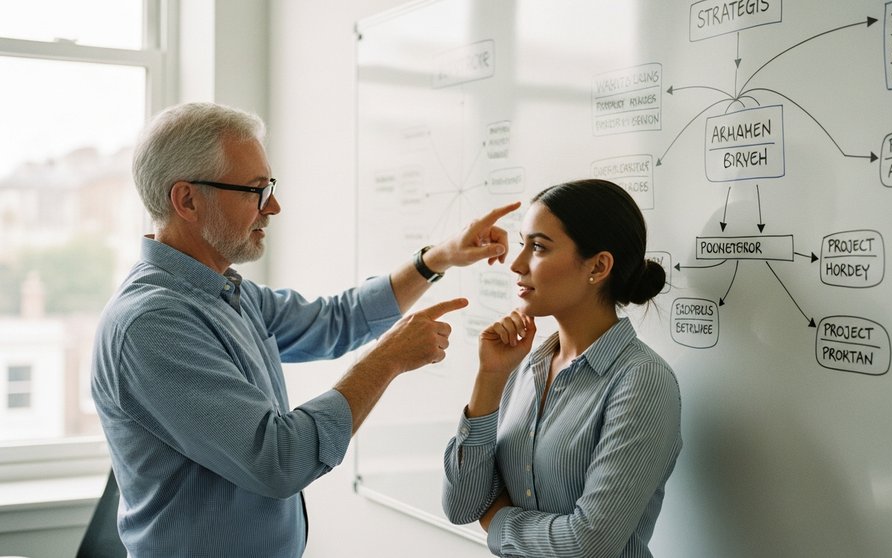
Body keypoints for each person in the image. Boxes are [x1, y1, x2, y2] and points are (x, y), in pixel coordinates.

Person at [91, 101, 518, 557]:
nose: (273, 206)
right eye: (255, 190)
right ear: (187, 200)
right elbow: (279, 460)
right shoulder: (153, 325)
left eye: (269, 186)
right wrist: (389, 358)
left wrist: (436, 260)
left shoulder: (225, 292)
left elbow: (336, 321)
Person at [441, 178, 682, 558]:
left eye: (538, 247)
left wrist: (498, 521)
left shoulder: (642, 381)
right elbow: (461, 505)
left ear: (599, 266)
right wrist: (489, 378)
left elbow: (589, 544)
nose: (517, 264)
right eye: (523, 244)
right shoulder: (523, 367)